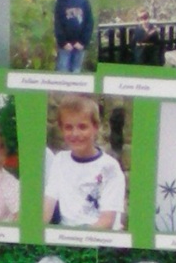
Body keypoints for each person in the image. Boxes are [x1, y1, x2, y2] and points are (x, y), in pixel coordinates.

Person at [43, 96, 125, 230]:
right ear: (61, 129)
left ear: (96, 127)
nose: (75, 133)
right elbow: (48, 204)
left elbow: (107, 221)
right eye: (68, 127)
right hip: (66, 230)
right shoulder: (59, 160)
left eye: (82, 127)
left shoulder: (110, 167)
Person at [53, 0, 94, 73]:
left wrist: (83, 42)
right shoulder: (60, 2)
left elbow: (89, 23)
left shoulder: (84, 2)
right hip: (65, 45)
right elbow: (58, 24)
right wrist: (63, 42)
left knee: (76, 69)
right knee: (63, 68)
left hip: (79, 45)